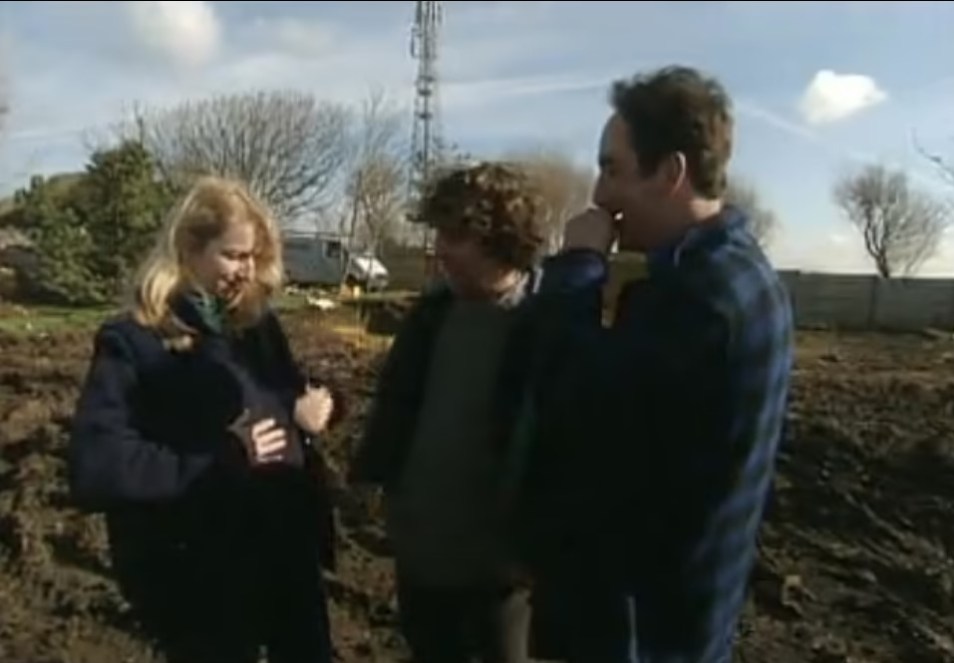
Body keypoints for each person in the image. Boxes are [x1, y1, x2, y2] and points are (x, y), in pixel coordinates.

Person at [521, 65, 795, 662]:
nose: (599, 194)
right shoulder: (738, 273)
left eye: (612, 168)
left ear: (670, 172)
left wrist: (576, 271)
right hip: (682, 618)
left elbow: (571, 403)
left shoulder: (700, 302)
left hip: (642, 633)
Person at [68, 176, 341, 663]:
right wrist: (219, 461)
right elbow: (99, 465)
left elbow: (282, 398)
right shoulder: (135, 341)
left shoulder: (254, 327)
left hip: (285, 562)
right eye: (234, 255)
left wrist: (314, 408)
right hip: (198, 575)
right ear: (188, 248)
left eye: (254, 257)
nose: (246, 271)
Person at [349, 162, 576, 663]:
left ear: (503, 239)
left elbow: (564, 447)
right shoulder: (431, 316)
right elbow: (396, 404)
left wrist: (537, 549)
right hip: (423, 549)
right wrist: (370, 478)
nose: (440, 249)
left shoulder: (546, 327)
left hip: (500, 569)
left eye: (455, 235)